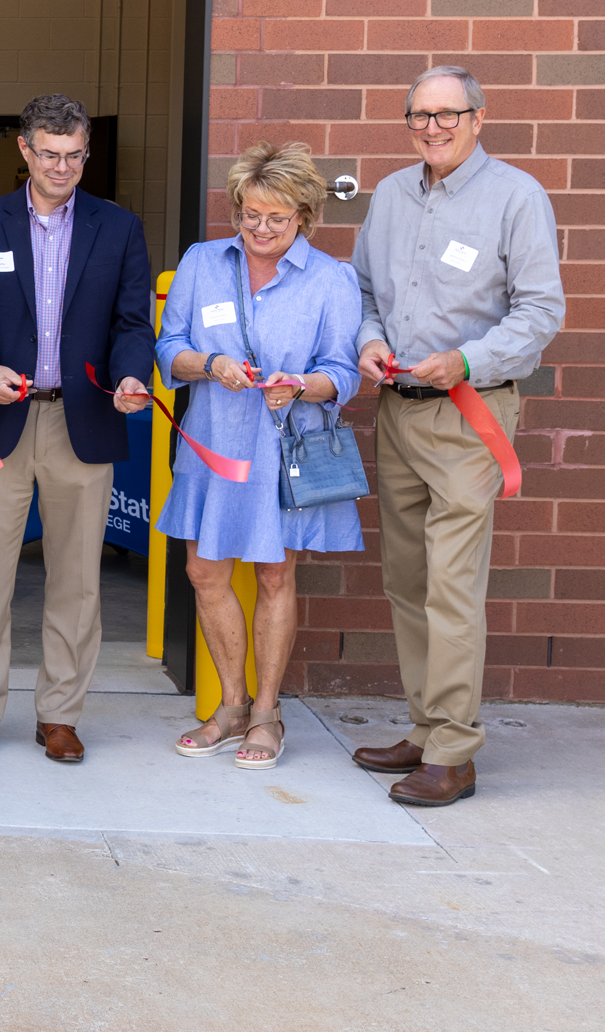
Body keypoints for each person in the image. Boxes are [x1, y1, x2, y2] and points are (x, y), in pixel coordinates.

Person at [349, 66, 563, 807]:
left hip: (469, 413)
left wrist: (466, 360)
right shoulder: (390, 195)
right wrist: (370, 341)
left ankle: (454, 751)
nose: (432, 127)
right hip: (397, 411)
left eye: (447, 114)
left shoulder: (516, 197)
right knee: (406, 580)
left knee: (451, 584)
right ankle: (426, 725)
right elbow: (365, 292)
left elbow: (540, 311)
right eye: (419, 115)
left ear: (479, 115)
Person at [0, 93, 153, 765]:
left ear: (87, 154)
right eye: (50, 154)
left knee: (77, 578)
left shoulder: (118, 228)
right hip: (0, 417)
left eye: (75, 156)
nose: (63, 167)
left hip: (82, 418)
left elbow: (131, 320)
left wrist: (128, 374)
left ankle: (60, 712)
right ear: (25, 150)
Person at [156, 142, 362, 770]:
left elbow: (344, 373)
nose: (261, 229)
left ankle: (267, 713)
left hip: (282, 451)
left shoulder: (331, 278)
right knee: (204, 573)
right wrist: (210, 365)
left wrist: (301, 384)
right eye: (250, 215)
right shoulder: (202, 262)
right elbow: (171, 348)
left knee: (275, 574)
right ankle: (231, 704)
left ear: (305, 215)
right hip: (212, 441)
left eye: (277, 218)